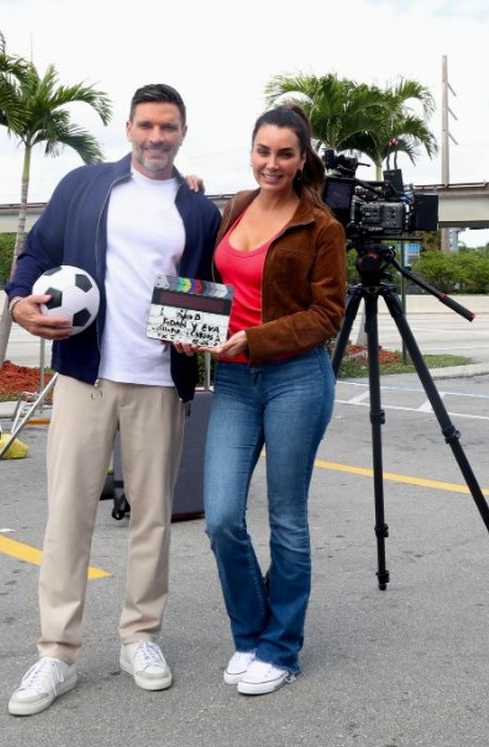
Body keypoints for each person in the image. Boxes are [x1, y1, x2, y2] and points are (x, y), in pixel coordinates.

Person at [4, 83, 221, 716]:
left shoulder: (198, 209)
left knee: (153, 517)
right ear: (128, 128)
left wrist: (195, 341)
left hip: (159, 381)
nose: (157, 137)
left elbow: (204, 287)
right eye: (147, 125)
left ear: (183, 132)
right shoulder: (83, 186)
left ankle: (140, 638)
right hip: (84, 376)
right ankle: (56, 653)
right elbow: (37, 253)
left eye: (169, 127)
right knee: (68, 514)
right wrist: (20, 302)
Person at [197, 105, 347, 695]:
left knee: (286, 519)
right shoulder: (235, 207)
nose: (272, 163)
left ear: (302, 157)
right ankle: (251, 632)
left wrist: (257, 338)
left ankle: (281, 649)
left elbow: (327, 315)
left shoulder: (321, 226)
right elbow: (214, 283)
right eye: (264, 150)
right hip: (233, 380)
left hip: (295, 380)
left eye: (285, 153)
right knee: (221, 518)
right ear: (251, 149)